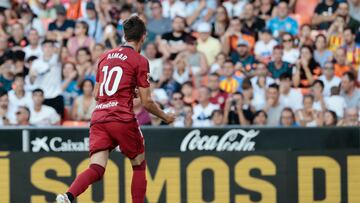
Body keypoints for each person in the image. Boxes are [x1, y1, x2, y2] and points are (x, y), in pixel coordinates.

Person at [56, 16, 175, 203]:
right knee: (139, 165)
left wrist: (127, 91)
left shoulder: (104, 56)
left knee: (96, 168)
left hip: (99, 117)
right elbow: (147, 102)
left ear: (125, 35)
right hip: (121, 118)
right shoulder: (140, 60)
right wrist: (165, 116)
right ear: (144, 36)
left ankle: (68, 196)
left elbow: (97, 93)